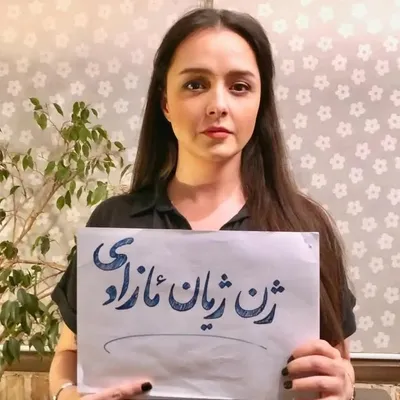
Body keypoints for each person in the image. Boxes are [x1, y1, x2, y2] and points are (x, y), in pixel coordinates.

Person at [49, 7, 357, 400]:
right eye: (195, 84)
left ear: (260, 103)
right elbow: (69, 353)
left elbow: (338, 360)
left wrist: (342, 385)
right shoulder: (115, 223)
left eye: (240, 87)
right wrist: (66, 395)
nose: (218, 105)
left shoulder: (303, 227)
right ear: (165, 103)